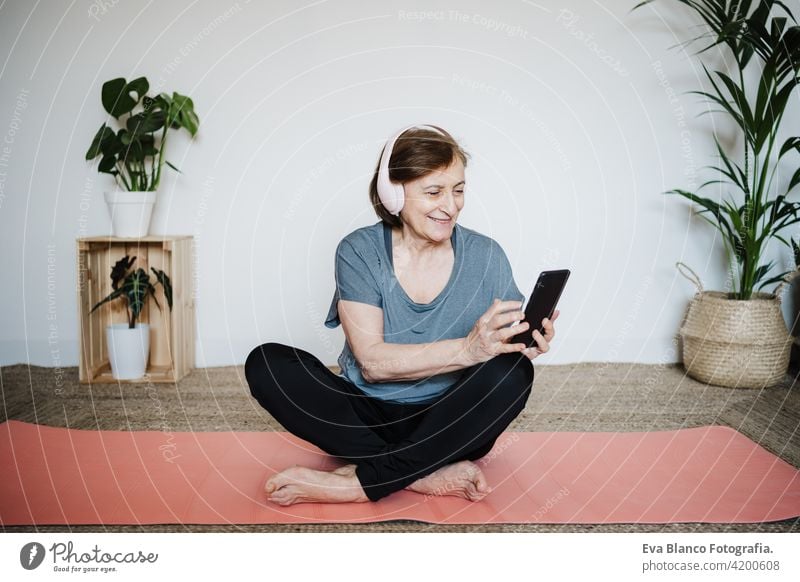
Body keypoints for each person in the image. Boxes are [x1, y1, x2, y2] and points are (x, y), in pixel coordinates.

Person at [245, 124, 559, 505]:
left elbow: (498, 350)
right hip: (366, 416)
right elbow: (374, 364)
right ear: (392, 193)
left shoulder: (487, 255)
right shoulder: (360, 251)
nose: (451, 205)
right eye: (434, 192)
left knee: (513, 374)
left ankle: (356, 483)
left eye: (459, 190)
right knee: (267, 364)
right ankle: (420, 472)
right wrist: (468, 350)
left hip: (447, 422)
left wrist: (521, 344)